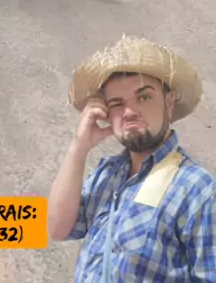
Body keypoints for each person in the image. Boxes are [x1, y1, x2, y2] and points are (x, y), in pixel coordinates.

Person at [47, 34, 216, 282]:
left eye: (144, 97)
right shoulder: (107, 174)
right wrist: (79, 148)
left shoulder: (197, 189)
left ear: (169, 102)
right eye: (116, 103)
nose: (129, 112)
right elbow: (56, 228)